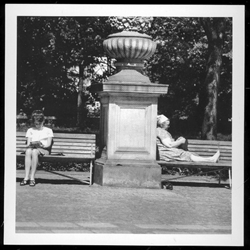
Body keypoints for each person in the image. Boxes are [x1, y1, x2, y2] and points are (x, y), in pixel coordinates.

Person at [20, 110, 54, 187]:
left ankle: (32, 178)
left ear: (43, 121)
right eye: (35, 124)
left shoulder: (48, 130)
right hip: (33, 149)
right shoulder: (30, 130)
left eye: (39, 124)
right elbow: (28, 144)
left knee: (35, 151)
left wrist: (41, 145)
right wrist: (31, 145)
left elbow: (48, 144)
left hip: (44, 150)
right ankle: (26, 177)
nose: (37, 125)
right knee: (28, 151)